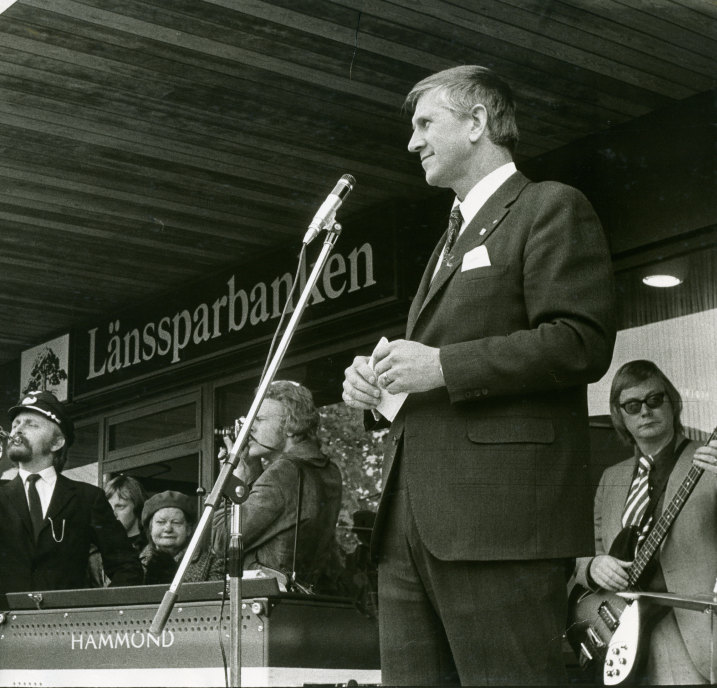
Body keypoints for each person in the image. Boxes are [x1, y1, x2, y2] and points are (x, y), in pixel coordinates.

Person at [342, 65, 616, 684]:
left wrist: (439, 364)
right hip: (412, 529)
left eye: (424, 123)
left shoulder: (549, 206)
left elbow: (580, 340)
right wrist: (381, 383)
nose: (412, 142)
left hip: (500, 525)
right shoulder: (449, 237)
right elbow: (433, 370)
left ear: (477, 122)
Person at [0, 391, 143, 686]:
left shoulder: (87, 498)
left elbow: (127, 566)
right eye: (16, 423)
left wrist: (103, 626)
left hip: (64, 644)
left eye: (32, 424)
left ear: (58, 441)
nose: (18, 430)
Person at [573, 361, 717, 684]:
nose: (645, 412)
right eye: (632, 406)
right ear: (620, 416)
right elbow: (581, 551)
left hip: (692, 635)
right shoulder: (610, 477)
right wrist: (592, 566)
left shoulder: (711, 462)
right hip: (619, 633)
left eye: (655, 400)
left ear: (673, 402)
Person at [210, 381, 343, 592]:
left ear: (292, 426)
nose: (249, 428)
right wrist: (253, 472)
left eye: (259, 420)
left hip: (268, 599)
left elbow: (222, 540)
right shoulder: (326, 469)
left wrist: (236, 481)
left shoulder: (284, 472)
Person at [139, 490, 194, 584]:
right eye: (160, 522)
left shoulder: (212, 562)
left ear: (188, 529)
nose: (168, 529)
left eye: (176, 522)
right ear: (150, 529)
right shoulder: (133, 563)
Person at [105, 475, 149, 552]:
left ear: (137, 506)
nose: (112, 514)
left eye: (120, 506)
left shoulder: (153, 547)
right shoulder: (98, 548)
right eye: (108, 507)